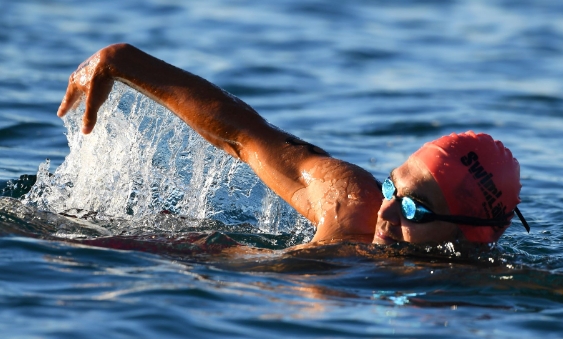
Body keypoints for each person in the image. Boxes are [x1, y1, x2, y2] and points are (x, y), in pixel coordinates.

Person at [57, 43, 529, 249]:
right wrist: (123, 61)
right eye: (392, 188)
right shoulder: (350, 203)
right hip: (159, 264)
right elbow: (243, 135)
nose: (386, 212)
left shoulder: (470, 286)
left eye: (416, 213)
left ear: (472, 233)